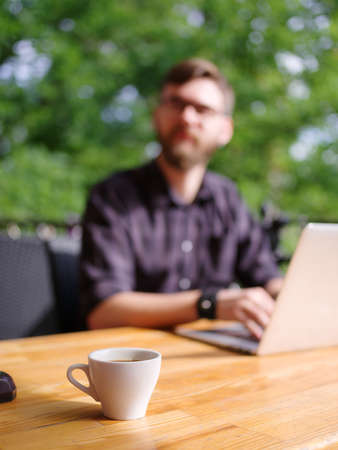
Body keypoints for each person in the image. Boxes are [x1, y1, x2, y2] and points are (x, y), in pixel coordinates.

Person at [79, 58, 283, 339]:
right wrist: (208, 304)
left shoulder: (228, 199)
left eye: (202, 109)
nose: (187, 117)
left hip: (211, 359)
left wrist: (291, 296)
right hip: (132, 364)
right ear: (157, 115)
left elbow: (266, 275)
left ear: (225, 129)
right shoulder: (114, 196)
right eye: (176, 104)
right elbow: (104, 312)